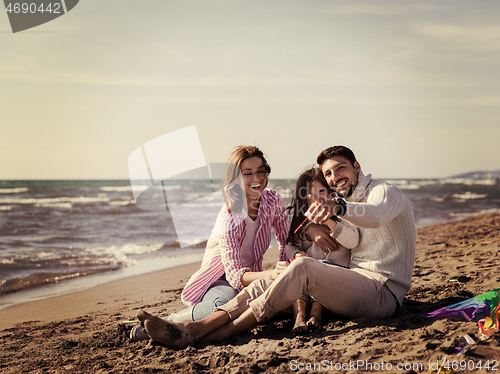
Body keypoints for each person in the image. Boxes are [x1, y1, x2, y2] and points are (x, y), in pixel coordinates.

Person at [135, 145, 416, 349]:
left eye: (340, 168)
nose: (333, 177)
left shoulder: (383, 192)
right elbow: (292, 242)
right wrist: (317, 225)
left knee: (300, 267)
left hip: (383, 291)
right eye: (328, 174)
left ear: (357, 167)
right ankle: (190, 328)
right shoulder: (230, 216)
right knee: (266, 283)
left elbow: (374, 216)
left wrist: (327, 216)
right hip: (225, 278)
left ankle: (213, 334)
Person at [130, 145, 290, 341]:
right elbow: (234, 275)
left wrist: (284, 267)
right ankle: (165, 324)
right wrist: (271, 274)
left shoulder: (273, 200)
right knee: (227, 301)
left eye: (260, 171)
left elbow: (286, 240)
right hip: (219, 280)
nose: (256, 178)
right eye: (248, 173)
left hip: (252, 277)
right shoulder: (229, 217)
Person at [283, 167, 359, 333]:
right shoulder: (300, 221)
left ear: (332, 192)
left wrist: (330, 222)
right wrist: (296, 254)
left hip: (334, 274)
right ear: (303, 197)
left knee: (322, 269)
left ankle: (316, 315)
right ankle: (299, 316)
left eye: (322, 191)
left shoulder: (341, 216)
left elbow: (352, 241)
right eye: (311, 193)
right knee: (299, 273)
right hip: (307, 274)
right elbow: (288, 245)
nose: (317, 198)